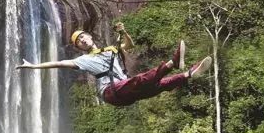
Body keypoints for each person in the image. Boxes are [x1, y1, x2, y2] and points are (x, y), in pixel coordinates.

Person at [17, 21, 211, 107]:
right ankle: (172, 63)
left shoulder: (110, 49)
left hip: (125, 92)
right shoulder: (83, 60)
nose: (83, 40)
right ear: (80, 48)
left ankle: (188, 75)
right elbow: (59, 62)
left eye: (83, 36)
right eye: (79, 42)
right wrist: (33, 66)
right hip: (111, 93)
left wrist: (123, 31)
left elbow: (129, 44)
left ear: (90, 36)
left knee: (156, 87)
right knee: (139, 80)